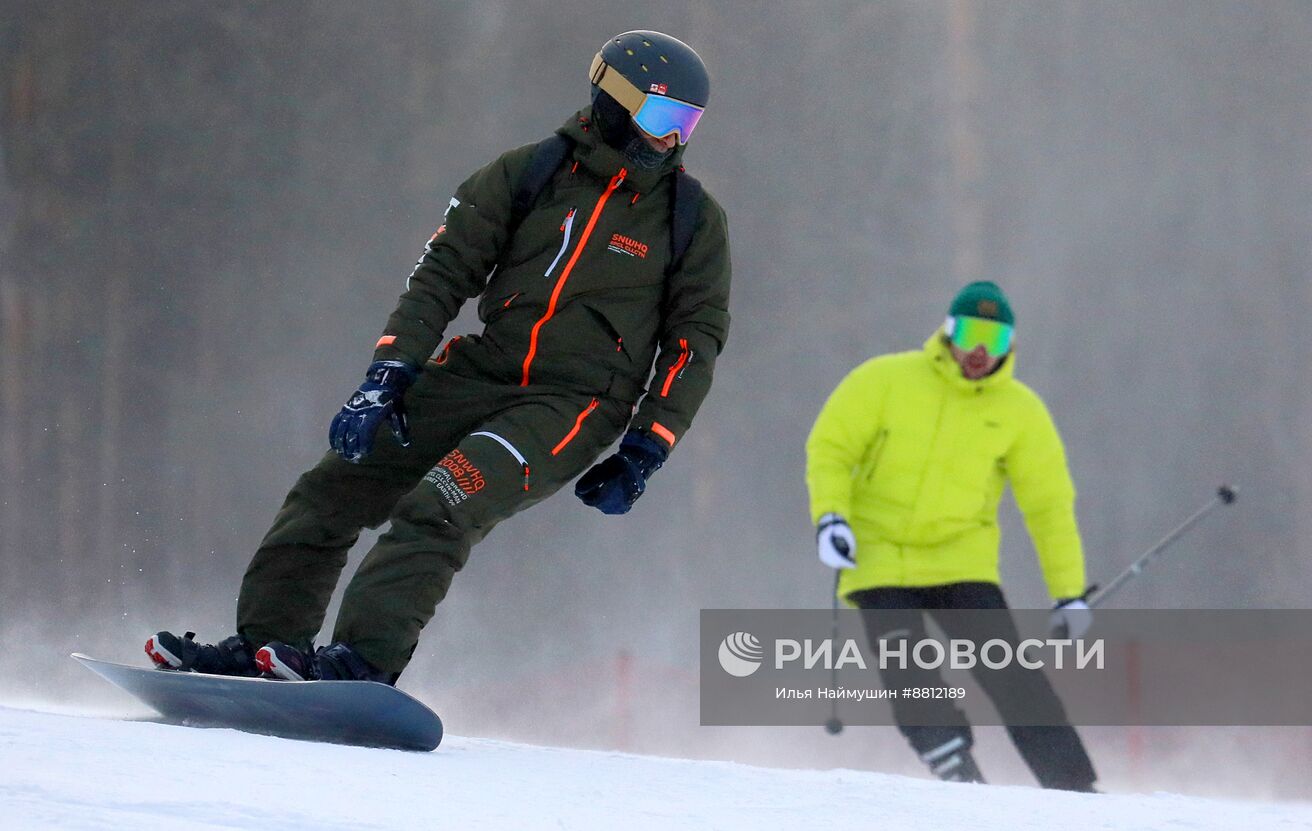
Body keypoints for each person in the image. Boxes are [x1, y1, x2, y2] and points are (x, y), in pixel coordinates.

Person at [145, 30, 731, 684]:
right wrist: (388, 375)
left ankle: (362, 661)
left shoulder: (690, 221)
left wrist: (646, 445)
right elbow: (443, 273)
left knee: (443, 500)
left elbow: (694, 341)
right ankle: (266, 645)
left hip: (574, 403)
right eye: (662, 119)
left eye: (687, 125)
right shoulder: (527, 175)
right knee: (333, 486)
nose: (673, 141)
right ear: (615, 102)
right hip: (481, 370)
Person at [805, 281, 1097, 791]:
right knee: (907, 664)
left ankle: (1074, 788)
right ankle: (952, 762)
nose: (981, 349)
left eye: (996, 338)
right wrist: (831, 518)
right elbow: (830, 449)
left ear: (1011, 345)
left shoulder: (1020, 411)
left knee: (1009, 671)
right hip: (878, 556)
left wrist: (1068, 592)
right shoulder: (885, 380)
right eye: (970, 332)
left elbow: (1048, 506)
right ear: (948, 331)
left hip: (961, 561)